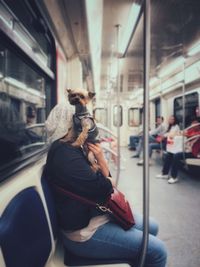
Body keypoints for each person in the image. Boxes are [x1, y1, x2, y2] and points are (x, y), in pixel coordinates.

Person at [43, 103, 167, 267]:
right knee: (158, 251)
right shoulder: (64, 154)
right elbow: (106, 188)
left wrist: (101, 163)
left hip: (97, 215)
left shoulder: (74, 147)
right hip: (84, 232)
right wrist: (102, 162)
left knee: (152, 226)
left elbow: (105, 185)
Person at [156, 116, 200, 184]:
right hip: (188, 149)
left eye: (195, 124)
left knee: (176, 155)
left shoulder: (197, 133)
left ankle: (174, 177)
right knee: (169, 154)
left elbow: (192, 135)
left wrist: (185, 134)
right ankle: (165, 174)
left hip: (194, 153)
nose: (193, 125)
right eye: (192, 124)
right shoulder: (192, 130)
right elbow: (184, 132)